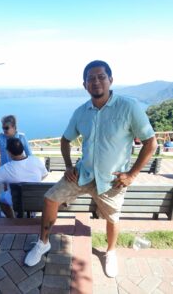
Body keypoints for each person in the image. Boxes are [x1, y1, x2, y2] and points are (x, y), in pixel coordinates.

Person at [24, 60, 157, 277]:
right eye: (91, 79)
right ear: (84, 85)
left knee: (113, 218)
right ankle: (43, 242)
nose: (96, 82)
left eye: (101, 77)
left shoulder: (128, 107)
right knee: (50, 199)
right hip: (82, 173)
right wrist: (68, 166)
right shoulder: (81, 112)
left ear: (110, 80)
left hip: (112, 178)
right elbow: (66, 140)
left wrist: (131, 174)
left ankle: (110, 252)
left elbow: (151, 142)